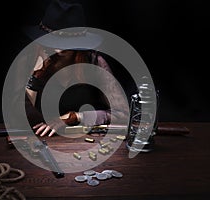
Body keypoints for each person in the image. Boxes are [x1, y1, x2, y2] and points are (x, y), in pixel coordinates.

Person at [21, 0, 130, 137]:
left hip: (86, 138)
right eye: (53, 41)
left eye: (65, 42)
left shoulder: (94, 62)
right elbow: (23, 122)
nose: (58, 48)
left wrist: (76, 116)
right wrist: (35, 79)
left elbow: (122, 114)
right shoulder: (31, 60)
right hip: (46, 140)